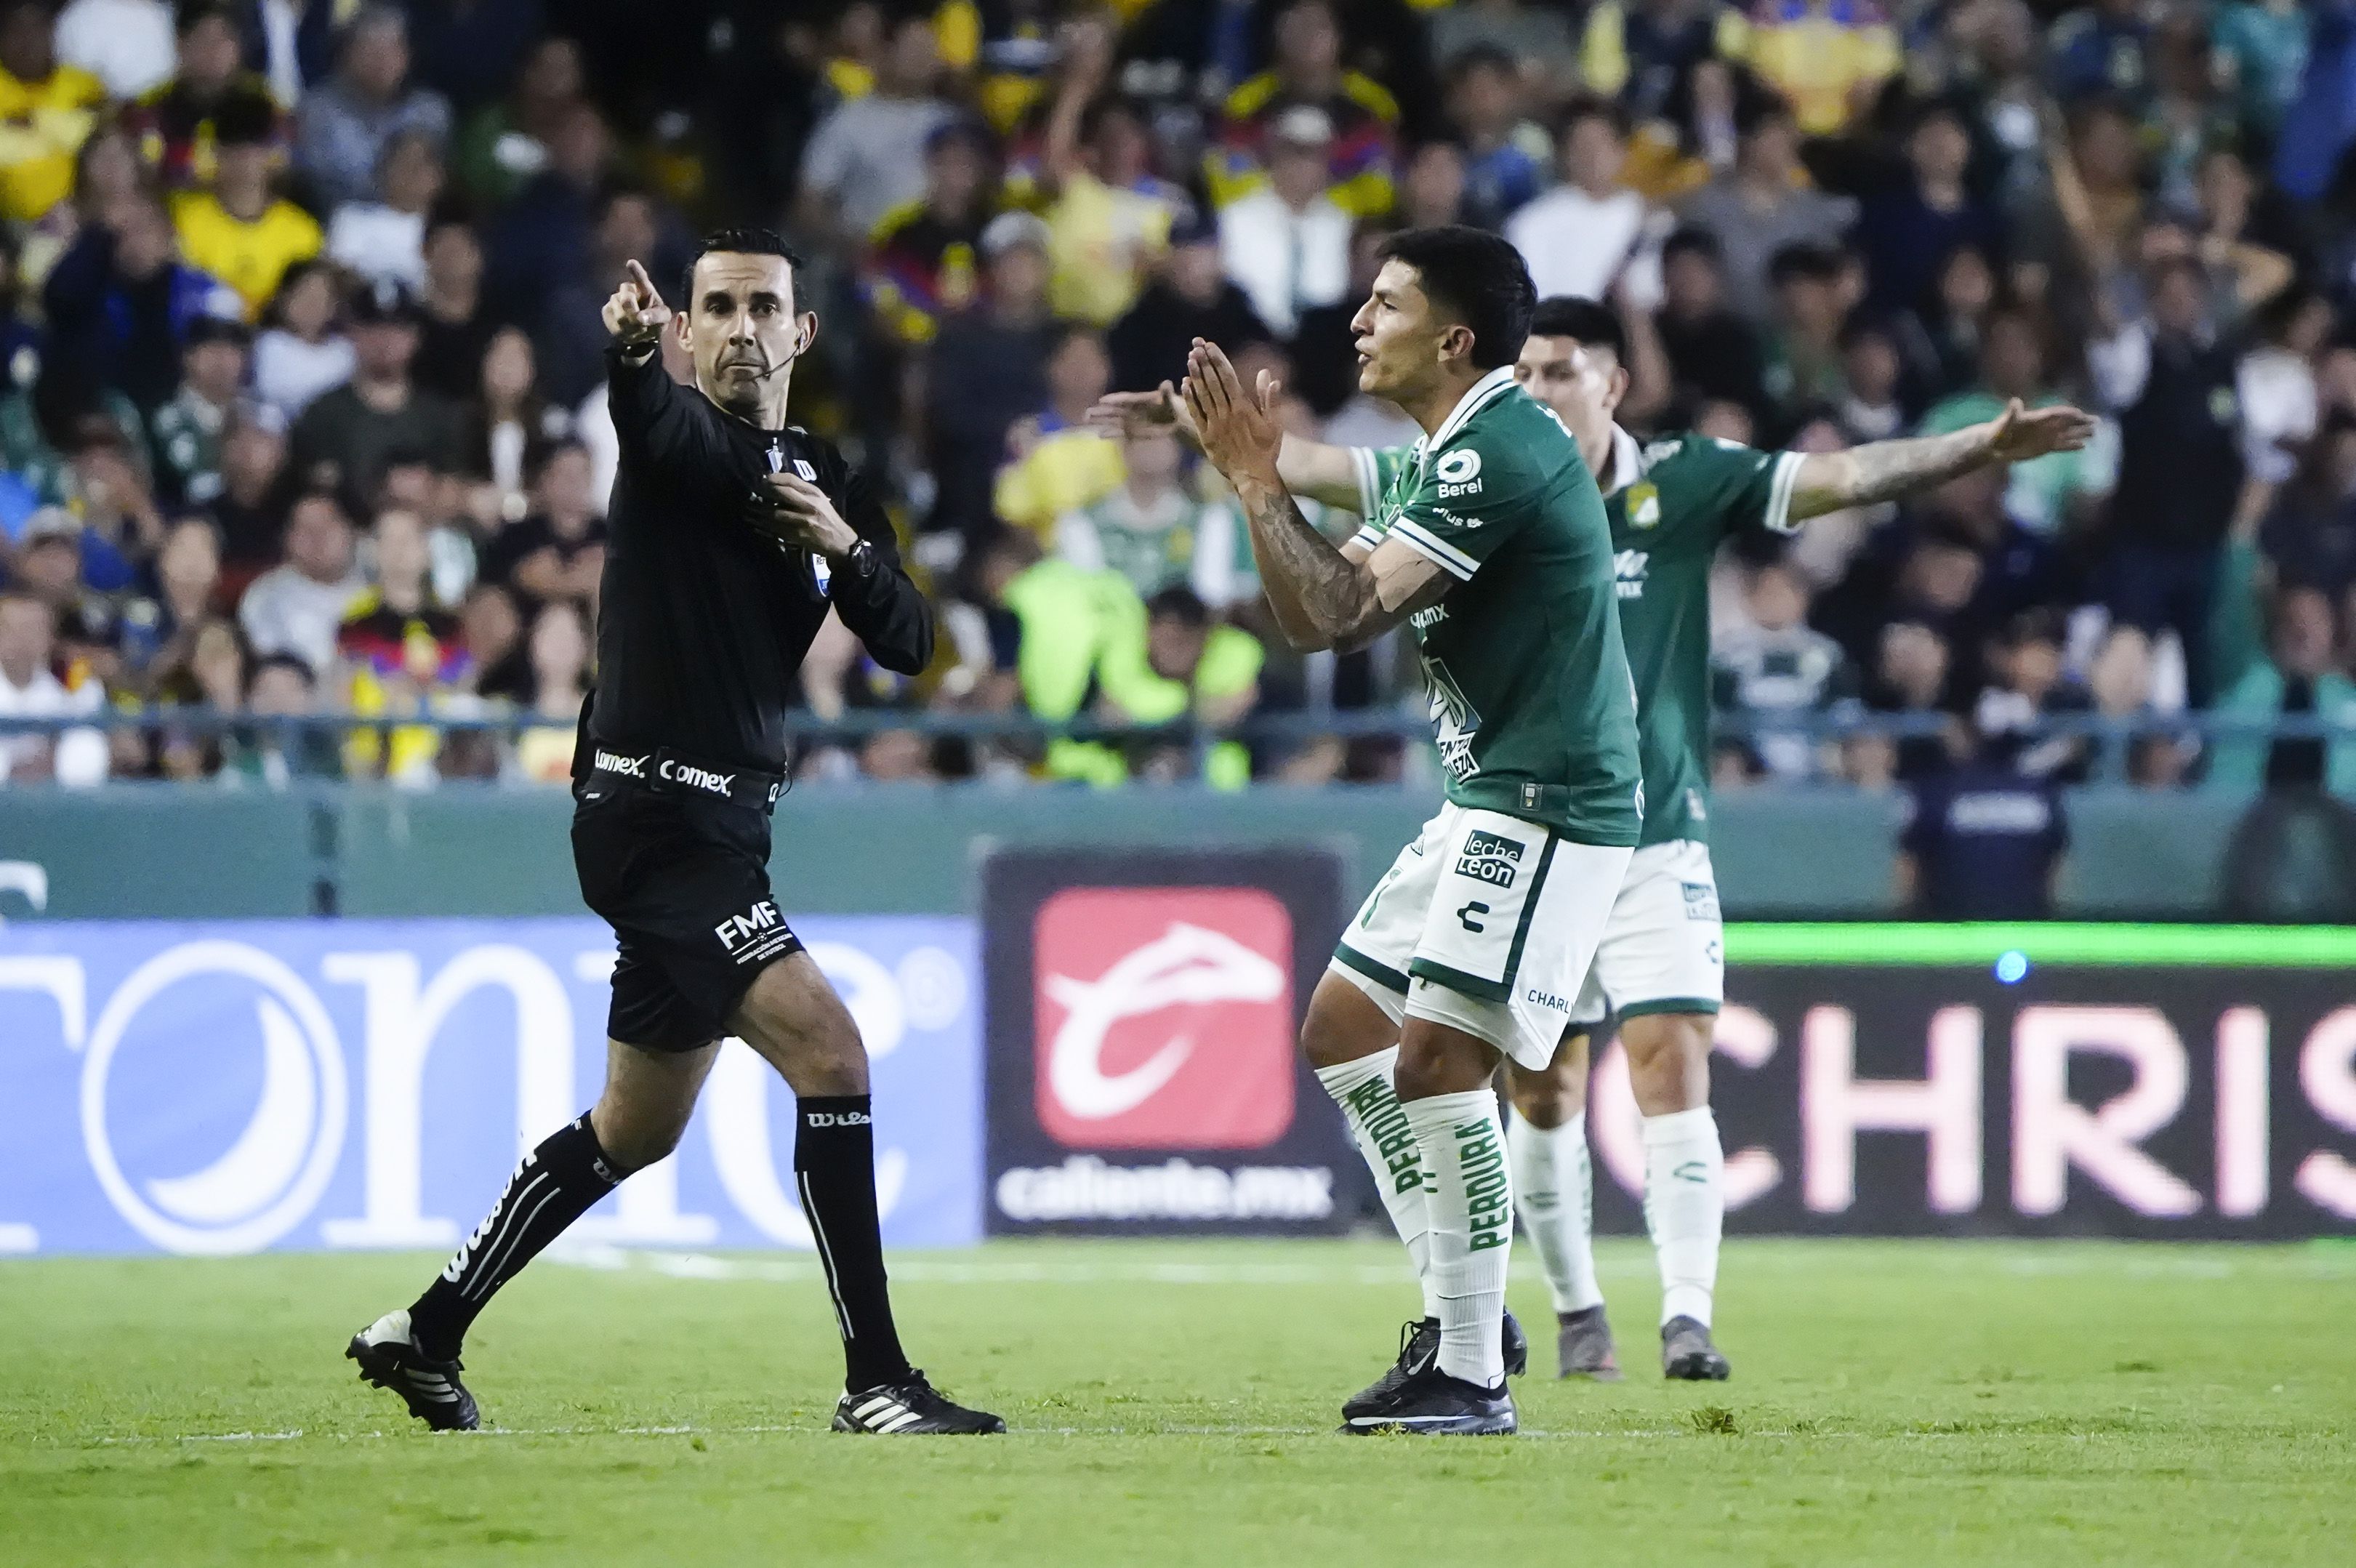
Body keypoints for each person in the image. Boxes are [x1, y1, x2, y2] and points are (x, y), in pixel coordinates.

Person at [1108, 292, 2091, 1382]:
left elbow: (1848, 475)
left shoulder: (1684, 478)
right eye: (1521, 370)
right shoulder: (1480, 470)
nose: (1537, 388)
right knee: (1532, 1087)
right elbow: (1325, 471)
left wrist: (1979, 447)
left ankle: (1681, 1318)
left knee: (1663, 1058)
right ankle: (1565, 1309)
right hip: (1518, 812)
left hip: (1645, 831)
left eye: (1561, 370)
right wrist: (1204, 424)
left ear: (1614, 384)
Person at [345, 231, 999, 1438]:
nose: (742, 327)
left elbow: (910, 639)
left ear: (800, 332)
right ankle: (877, 1380)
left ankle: (424, 1331)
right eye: (716, 309)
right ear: (688, 332)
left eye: (765, 306)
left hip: (723, 830)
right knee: (835, 1055)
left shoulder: (827, 473)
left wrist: (843, 543)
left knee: (633, 1127)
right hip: (654, 815)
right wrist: (630, 356)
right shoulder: (676, 446)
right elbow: (649, 418)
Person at [1181, 228, 1646, 1436]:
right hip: (1486, 795)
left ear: (1451, 338)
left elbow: (1332, 612)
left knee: (1436, 1058)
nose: (1356, 322)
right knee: (1344, 1026)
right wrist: (1253, 473)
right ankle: (1463, 1311)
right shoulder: (1453, 450)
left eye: (1382, 304)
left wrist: (1252, 478)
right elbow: (1315, 601)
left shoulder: (1499, 447)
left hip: (1548, 801)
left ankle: (1472, 1370)